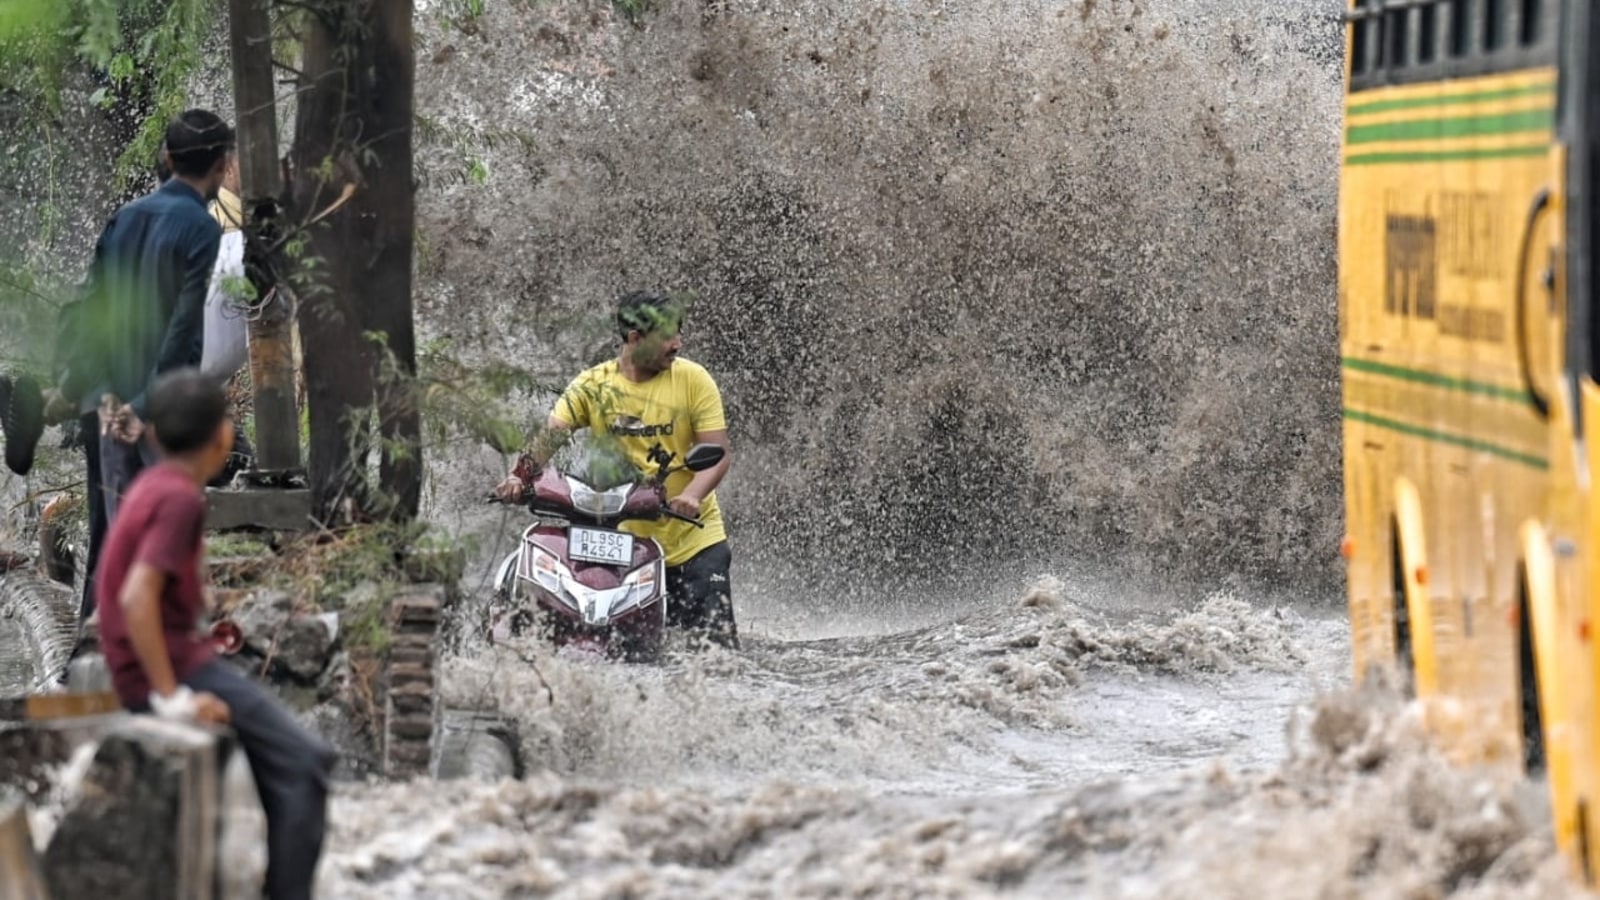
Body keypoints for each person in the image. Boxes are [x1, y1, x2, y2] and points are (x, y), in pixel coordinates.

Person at [95, 367, 334, 900]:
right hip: (175, 670)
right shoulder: (179, 499)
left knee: (284, 764)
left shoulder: (152, 485)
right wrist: (171, 696)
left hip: (166, 660)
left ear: (152, 434)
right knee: (306, 764)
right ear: (225, 436)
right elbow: (137, 598)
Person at [495, 290, 739, 647]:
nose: (677, 344)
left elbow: (718, 452)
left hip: (691, 543)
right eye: (667, 336)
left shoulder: (694, 380)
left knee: (715, 655)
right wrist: (519, 477)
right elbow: (551, 437)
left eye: (679, 333)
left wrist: (692, 495)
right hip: (619, 545)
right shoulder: (593, 385)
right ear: (635, 338)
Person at [63, 109, 232, 622]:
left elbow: (91, 310)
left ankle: (95, 664)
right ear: (222, 166)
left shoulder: (125, 216)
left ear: (166, 158)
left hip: (108, 408)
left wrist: (96, 393)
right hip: (160, 414)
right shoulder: (201, 229)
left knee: (114, 539)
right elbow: (183, 330)